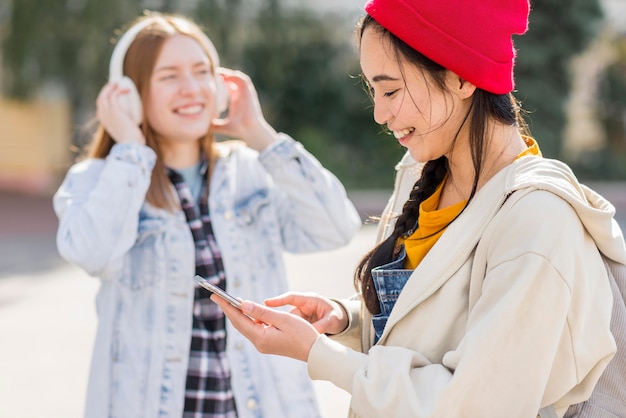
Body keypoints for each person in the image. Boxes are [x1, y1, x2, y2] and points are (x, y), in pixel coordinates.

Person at [212, 0, 626, 417]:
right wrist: (346, 320)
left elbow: (472, 406)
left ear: (461, 77)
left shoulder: (538, 223)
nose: (379, 112)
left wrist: (316, 353)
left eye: (391, 90)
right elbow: (430, 321)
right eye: (373, 91)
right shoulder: (421, 175)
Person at [53, 11, 361, 418]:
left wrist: (257, 131)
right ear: (129, 94)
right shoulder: (101, 179)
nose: (192, 88)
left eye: (202, 72)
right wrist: (129, 149)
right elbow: (92, 253)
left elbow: (337, 227)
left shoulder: (250, 172)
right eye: (169, 76)